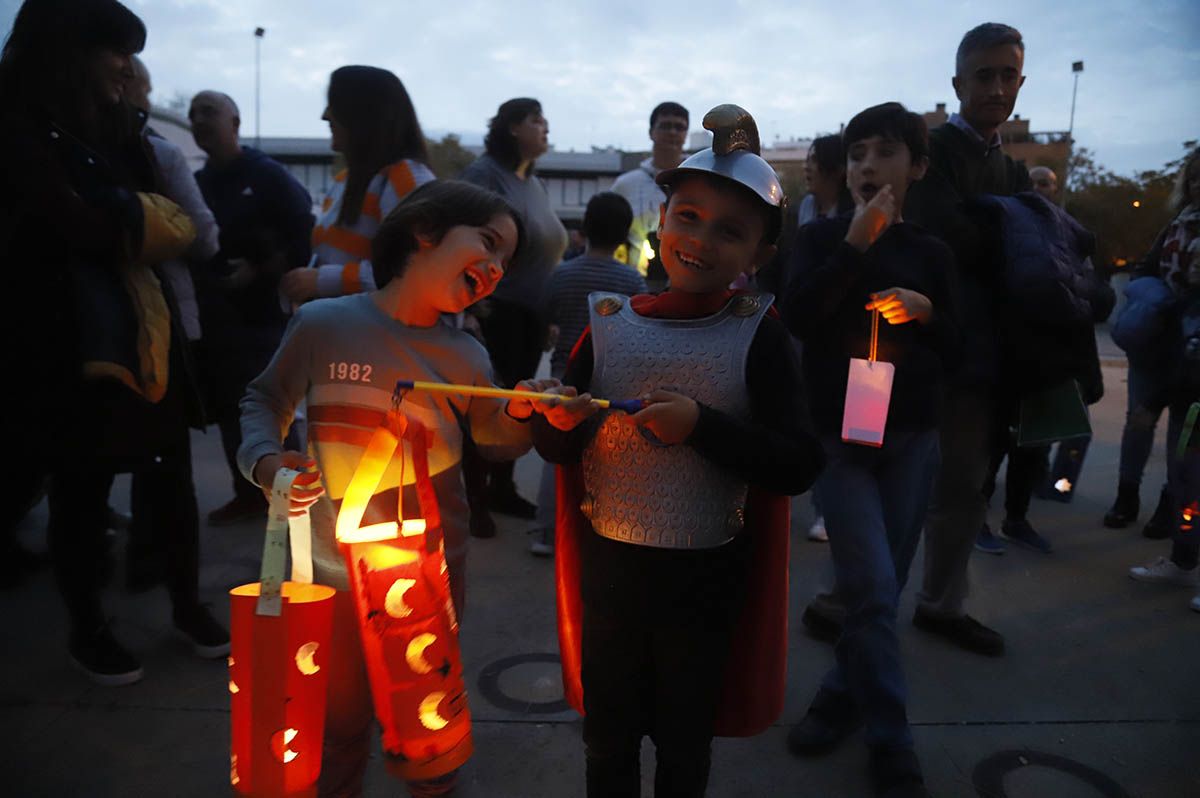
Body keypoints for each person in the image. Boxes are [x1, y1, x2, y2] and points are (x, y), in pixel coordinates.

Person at [527, 105, 824, 797]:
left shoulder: (762, 337)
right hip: (611, 582)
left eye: (730, 230)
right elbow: (558, 451)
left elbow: (800, 462)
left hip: (706, 588)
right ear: (660, 223)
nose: (701, 238)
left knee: (685, 752)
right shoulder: (607, 327)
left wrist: (704, 428)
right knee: (607, 745)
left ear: (760, 253)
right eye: (687, 216)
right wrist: (552, 420)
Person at [239, 180, 539, 797]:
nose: (495, 268)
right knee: (338, 723)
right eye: (488, 243)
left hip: (425, 588)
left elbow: (497, 441)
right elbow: (264, 399)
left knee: (428, 733)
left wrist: (530, 413)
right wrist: (267, 462)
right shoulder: (323, 324)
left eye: (506, 262)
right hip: (327, 574)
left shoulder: (467, 357)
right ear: (425, 230)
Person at [0, 0, 228, 685]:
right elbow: (88, 227)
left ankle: (186, 603)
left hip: (145, 335)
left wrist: (130, 219)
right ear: (68, 53)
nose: (126, 67)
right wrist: (133, 220)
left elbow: (179, 227)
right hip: (60, 344)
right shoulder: (18, 131)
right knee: (80, 485)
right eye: (114, 51)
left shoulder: (118, 132)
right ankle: (88, 628)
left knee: (170, 475)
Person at [782, 103, 959, 798]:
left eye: (884, 153)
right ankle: (891, 738)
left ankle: (837, 697)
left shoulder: (933, 253)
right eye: (857, 154)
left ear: (916, 166)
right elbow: (795, 315)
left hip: (912, 438)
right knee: (874, 590)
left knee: (875, 597)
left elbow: (962, 349)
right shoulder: (823, 238)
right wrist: (853, 246)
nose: (866, 166)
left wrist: (929, 313)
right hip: (840, 441)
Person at [902, 22, 1032, 657]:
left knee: (963, 486)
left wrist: (1001, 230)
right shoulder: (934, 155)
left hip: (984, 359)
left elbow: (1022, 249)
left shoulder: (1011, 167)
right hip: (917, 348)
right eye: (985, 74)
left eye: (1009, 75)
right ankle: (854, 600)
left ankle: (940, 604)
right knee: (880, 476)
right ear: (957, 83)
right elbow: (946, 239)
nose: (997, 86)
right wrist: (1009, 229)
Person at [119, 55, 222, 590]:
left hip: (101, 327)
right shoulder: (159, 155)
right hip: (163, 328)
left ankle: (137, 556)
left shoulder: (56, 151)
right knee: (165, 459)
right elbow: (205, 237)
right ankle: (175, 586)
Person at [190, 89, 314, 526]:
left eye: (209, 111)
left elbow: (304, 230)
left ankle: (292, 496)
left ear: (235, 121)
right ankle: (247, 493)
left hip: (263, 320)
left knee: (273, 407)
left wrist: (261, 270)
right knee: (230, 411)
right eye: (193, 114)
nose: (199, 120)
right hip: (216, 321)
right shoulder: (199, 183)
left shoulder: (266, 175)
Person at [460, 98, 568, 526]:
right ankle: (476, 499)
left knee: (517, 405)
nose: (545, 126)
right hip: (496, 310)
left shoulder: (533, 183)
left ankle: (502, 489)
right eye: (536, 120)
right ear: (511, 128)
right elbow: (466, 237)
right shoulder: (485, 175)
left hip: (529, 314)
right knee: (487, 405)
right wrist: (471, 305)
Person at [528, 191, 647, 556]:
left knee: (558, 456)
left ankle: (546, 532)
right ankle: (602, 527)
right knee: (608, 454)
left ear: (585, 228)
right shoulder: (631, 281)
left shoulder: (561, 274)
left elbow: (542, 314)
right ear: (625, 233)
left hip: (566, 372)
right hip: (613, 375)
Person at [278, 65, 435, 304]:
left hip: (376, 338)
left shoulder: (407, 178)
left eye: (335, 104)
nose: (325, 115)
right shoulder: (345, 180)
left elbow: (417, 270)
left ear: (363, 114)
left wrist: (320, 280)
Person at [1106, 150, 1200, 537]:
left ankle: (1171, 505)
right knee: (1139, 421)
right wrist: (1154, 298)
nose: (1199, 186)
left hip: (1193, 351)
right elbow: (1146, 268)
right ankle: (1127, 495)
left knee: (1183, 435)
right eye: (1194, 179)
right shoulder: (1175, 225)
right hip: (1155, 341)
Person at [611, 101, 690, 287]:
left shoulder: (697, 181)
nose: (672, 132)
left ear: (686, 134)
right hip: (634, 281)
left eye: (679, 127)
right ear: (651, 132)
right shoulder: (626, 184)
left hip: (686, 282)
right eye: (665, 126)